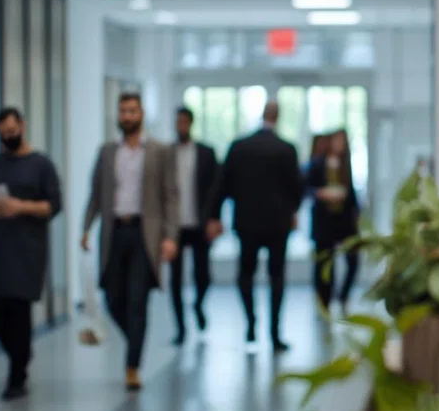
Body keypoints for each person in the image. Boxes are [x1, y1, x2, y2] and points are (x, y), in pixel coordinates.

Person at [81, 92, 179, 391]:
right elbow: (96, 193)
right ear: (118, 115)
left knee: (138, 300)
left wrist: (170, 237)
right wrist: (86, 228)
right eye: (123, 111)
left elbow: (170, 197)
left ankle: (132, 366)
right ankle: (134, 340)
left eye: (132, 111)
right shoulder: (107, 152)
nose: (127, 116)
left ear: (142, 114)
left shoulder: (160, 151)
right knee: (113, 299)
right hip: (114, 232)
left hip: (144, 234)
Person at [0, 107, 63, 400]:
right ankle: (20, 353)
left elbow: (54, 205)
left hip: (27, 248)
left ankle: (17, 376)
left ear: (22, 126)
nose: (8, 137)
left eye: (12, 131)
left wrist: (21, 207)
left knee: (18, 308)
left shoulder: (41, 165)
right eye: (3, 133)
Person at [207, 100, 302, 351]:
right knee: (277, 276)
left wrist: (215, 216)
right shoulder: (286, 149)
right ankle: (274, 333)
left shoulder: (239, 147)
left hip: (247, 223)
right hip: (277, 225)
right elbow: (296, 188)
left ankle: (251, 323)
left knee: (245, 275)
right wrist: (293, 211)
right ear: (278, 117)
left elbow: (222, 185)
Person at [169, 106, 218, 345]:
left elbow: (215, 189)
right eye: (177, 122)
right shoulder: (167, 154)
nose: (181, 126)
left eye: (184, 122)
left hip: (199, 223)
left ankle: (198, 306)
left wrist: (214, 219)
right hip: (174, 226)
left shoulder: (206, 153)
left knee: (203, 275)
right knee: (175, 279)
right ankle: (180, 328)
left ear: (191, 123)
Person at [307, 129, 360, 312]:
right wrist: (322, 194)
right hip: (324, 222)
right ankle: (325, 300)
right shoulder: (317, 163)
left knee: (353, 260)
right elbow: (307, 188)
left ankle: (343, 296)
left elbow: (351, 194)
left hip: (345, 221)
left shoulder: (346, 165)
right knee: (324, 262)